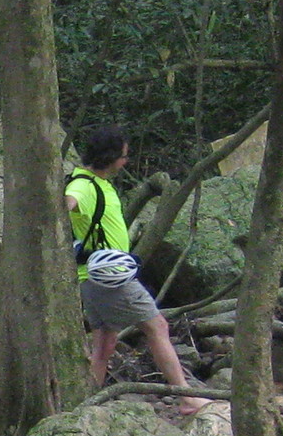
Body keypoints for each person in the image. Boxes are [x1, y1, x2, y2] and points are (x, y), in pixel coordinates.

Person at [67, 128, 203, 414]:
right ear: (109, 157)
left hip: (93, 279)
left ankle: (84, 404)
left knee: (104, 341)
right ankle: (187, 397)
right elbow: (69, 199)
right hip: (110, 278)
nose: (125, 162)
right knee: (157, 326)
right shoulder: (84, 185)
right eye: (123, 157)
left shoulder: (97, 183)